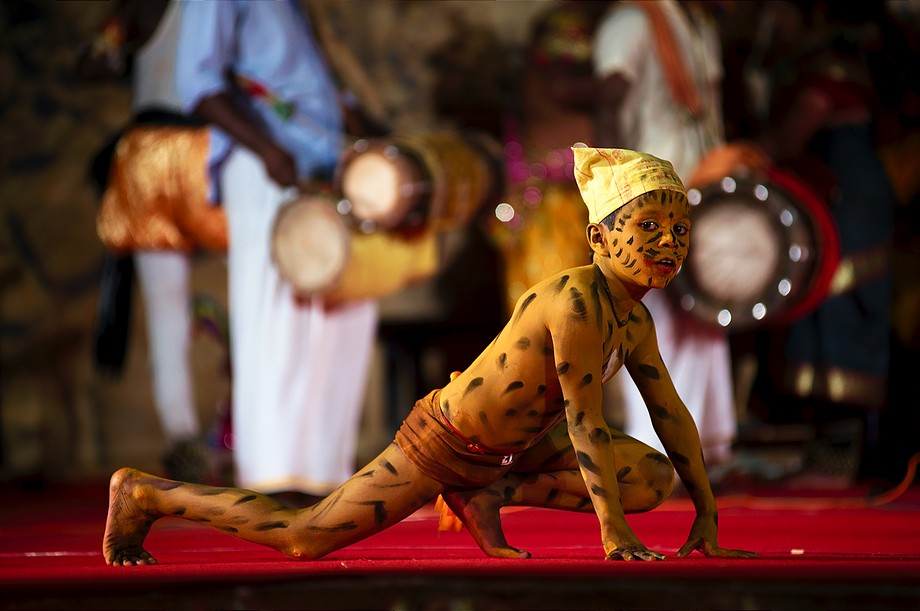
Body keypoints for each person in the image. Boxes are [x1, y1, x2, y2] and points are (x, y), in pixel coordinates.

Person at [103, 146, 756, 565]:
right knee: (304, 534)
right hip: (447, 440)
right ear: (599, 237)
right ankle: (146, 495)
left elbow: (667, 409)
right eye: (648, 228)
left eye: (678, 230)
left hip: (520, 445)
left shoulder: (633, 317)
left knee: (649, 474)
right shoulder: (577, 303)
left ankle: (488, 490)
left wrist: (706, 512)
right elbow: (585, 420)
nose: (668, 241)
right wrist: (615, 534)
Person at [173, 1, 378, 504]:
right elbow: (197, 82)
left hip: (321, 166)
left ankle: (323, 473)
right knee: (275, 317)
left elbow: (313, 87)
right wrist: (266, 148)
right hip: (265, 165)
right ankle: (271, 477)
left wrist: (368, 128)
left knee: (340, 318)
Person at [78, 0, 220, 483]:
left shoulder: (133, 8)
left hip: (144, 157)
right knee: (249, 290)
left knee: (166, 311)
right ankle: (211, 434)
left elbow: (93, 62)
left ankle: (186, 437)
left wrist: (113, 58)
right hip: (206, 151)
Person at [592, 0, 737, 466]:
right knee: (657, 322)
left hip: (702, 186)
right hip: (650, 192)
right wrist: (617, 196)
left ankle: (705, 445)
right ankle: (656, 451)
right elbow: (608, 101)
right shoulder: (632, 21)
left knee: (706, 314)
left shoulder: (697, 25)